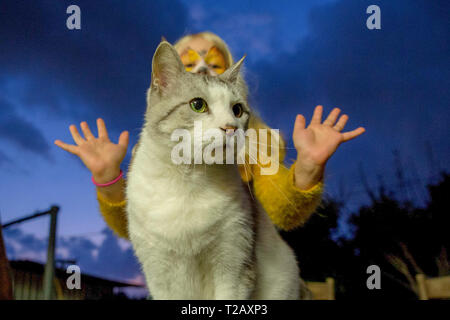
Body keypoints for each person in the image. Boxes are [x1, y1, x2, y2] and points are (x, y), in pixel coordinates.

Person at [55, 31, 365, 239]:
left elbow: (282, 212)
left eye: (214, 64)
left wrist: (308, 167)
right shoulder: (154, 145)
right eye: (188, 64)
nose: (202, 68)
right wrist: (109, 179)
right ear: (165, 79)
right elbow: (132, 228)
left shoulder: (256, 137)